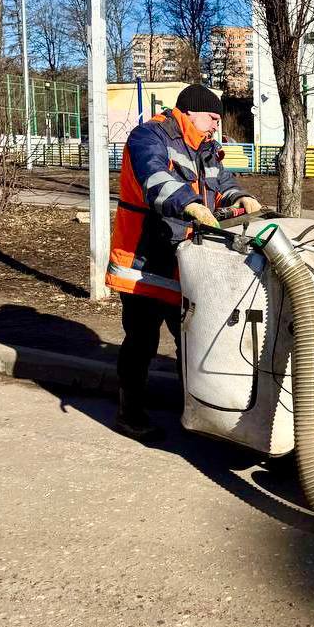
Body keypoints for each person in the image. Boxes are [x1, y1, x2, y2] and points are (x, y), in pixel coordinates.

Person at [106, 83, 261, 441]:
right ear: (190, 111)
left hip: (185, 263)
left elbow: (222, 181)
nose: (216, 126)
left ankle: (195, 413)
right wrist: (189, 204)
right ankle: (129, 414)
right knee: (141, 342)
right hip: (144, 263)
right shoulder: (149, 137)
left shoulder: (204, 148)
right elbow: (155, 177)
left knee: (192, 342)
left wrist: (243, 198)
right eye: (212, 117)